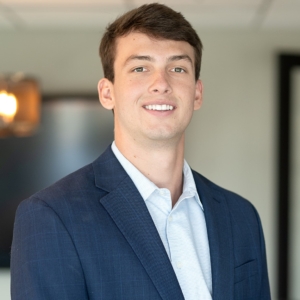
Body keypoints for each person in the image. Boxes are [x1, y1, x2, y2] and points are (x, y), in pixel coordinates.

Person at [11, 3, 271, 300]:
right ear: (107, 93)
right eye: (140, 68)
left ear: (197, 93)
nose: (161, 84)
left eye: (177, 68)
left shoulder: (241, 216)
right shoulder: (51, 216)